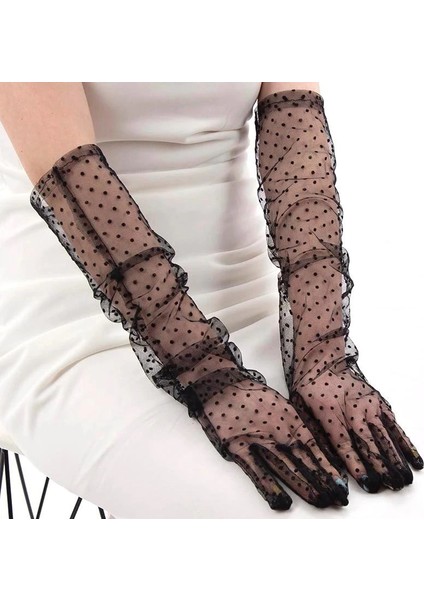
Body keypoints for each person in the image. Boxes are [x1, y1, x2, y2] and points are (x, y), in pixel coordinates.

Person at [0, 82, 421, 518]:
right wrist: (209, 374)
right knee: (273, 523)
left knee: (400, 509)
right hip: (78, 319)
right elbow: (76, 181)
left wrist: (320, 351)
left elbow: (297, 148)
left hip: (250, 300)